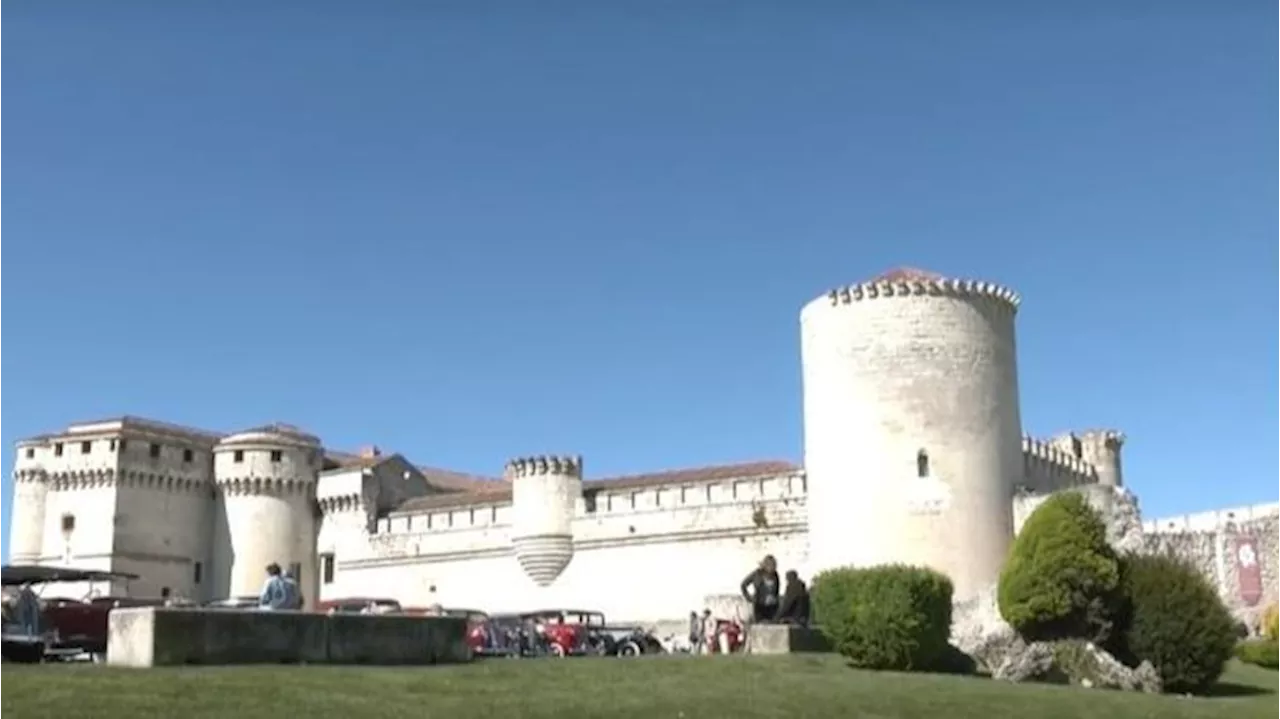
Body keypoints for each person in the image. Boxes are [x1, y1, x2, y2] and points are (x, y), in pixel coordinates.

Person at [740, 555, 781, 623]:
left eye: (774, 565)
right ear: (766, 566)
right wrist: (749, 598)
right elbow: (743, 585)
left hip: (773, 607)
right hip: (760, 606)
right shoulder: (757, 574)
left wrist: (775, 599)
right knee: (760, 625)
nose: (773, 568)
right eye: (771, 565)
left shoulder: (775, 575)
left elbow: (777, 589)